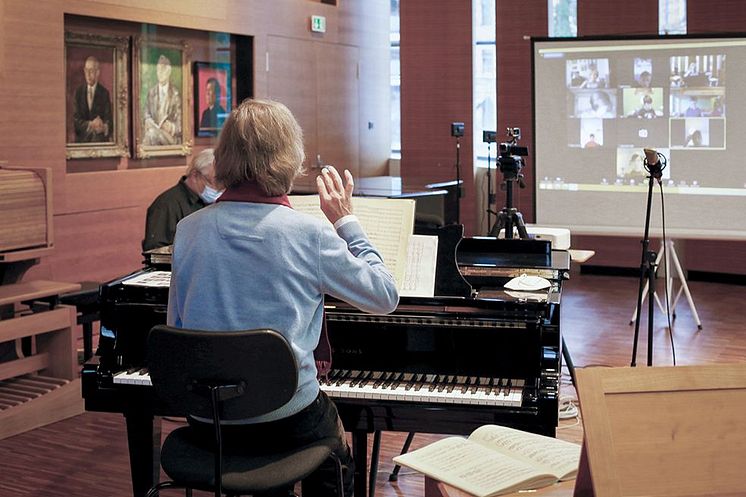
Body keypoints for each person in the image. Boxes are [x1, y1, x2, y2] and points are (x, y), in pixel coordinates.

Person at [167, 98, 399, 497]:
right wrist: (346, 220)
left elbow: (178, 328)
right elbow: (385, 295)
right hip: (285, 419)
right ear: (288, 158)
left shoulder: (187, 231)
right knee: (334, 455)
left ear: (224, 159)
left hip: (210, 419)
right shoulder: (308, 235)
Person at [142, 148, 219, 251]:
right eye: (213, 182)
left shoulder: (213, 202)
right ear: (195, 175)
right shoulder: (166, 205)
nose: (218, 189)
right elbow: (157, 252)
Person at [143, 54, 182, 145]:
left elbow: (182, 123)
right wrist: (147, 120)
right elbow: (146, 113)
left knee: (151, 135)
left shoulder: (175, 94)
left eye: (162, 69)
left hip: (169, 138)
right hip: (153, 132)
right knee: (151, 134)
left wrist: (172, 127)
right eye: (158, 70)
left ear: (168, 72)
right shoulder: (151, 93)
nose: (159, 73)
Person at [72, 56, 113, 142]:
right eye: (86, 70)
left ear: (97, 72)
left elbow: (109, 122)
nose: (88, 74)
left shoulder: (104, 93)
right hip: (81, 143)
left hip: (100, 143)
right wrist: (91, 124)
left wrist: (103, 127)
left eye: (91, 71)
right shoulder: (78, 93)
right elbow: (75, 122)